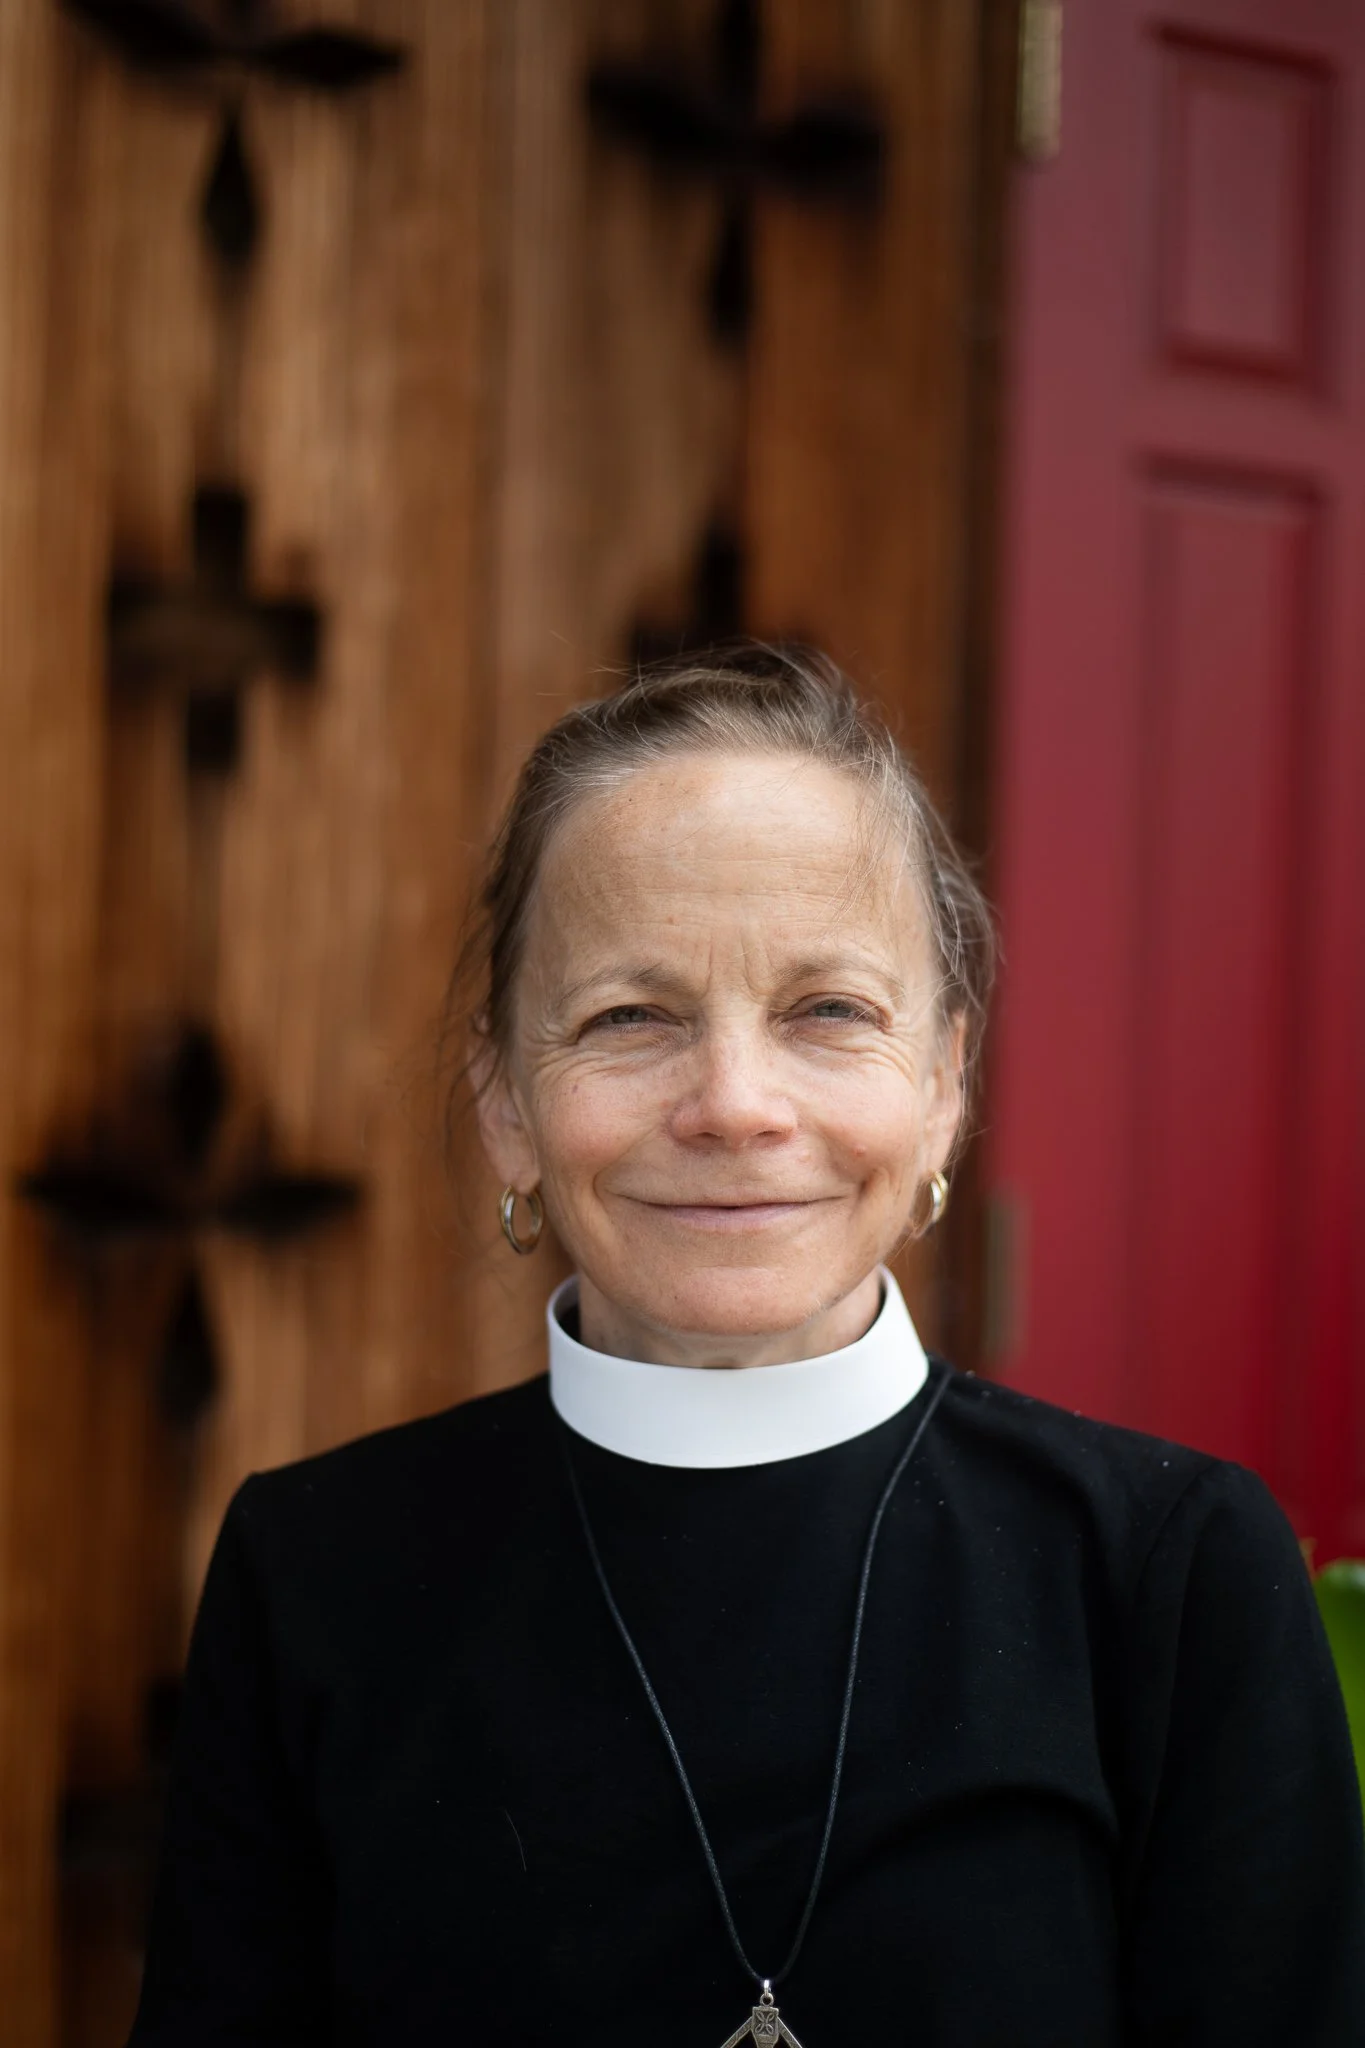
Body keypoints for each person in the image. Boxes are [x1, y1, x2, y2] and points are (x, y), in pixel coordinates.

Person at [128, 647, 1365, 2047]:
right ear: (506, 1106)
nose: (733, 1105)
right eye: (629, 1018)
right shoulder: (317, 1571)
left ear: (945, 1084)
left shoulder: (1170, 1572)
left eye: (827, 1012)